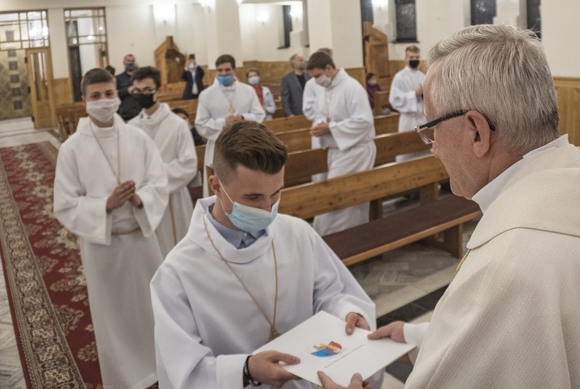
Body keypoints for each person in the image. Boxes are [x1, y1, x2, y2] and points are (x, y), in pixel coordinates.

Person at [319, 24, 580, 388]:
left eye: (431, 130)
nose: (433, 148)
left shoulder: (508, 267)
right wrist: (420, 337)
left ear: (477, 131)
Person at [150, 120, 378, 388]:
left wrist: (347, 313)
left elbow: (330, 293)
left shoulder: (297, 233)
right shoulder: (177, 273)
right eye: (253, 198)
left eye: (276, 193)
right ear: (215, 185)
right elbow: (184, 369)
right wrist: (246, 369)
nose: (268, 208)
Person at [53, 68, 168, 389]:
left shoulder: (138, 137)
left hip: (142, 239)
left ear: (118, 95)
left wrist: (140, 198)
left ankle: (159, 367)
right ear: (84, 100)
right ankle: (123, 379)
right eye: (95, 96)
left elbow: (159, 182)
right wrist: (106, 204)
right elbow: (64, 204)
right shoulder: (71, 148)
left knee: (150, 308)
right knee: (112, 316)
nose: (103, 101)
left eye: (108, 94)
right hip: (102, 247)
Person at [129, 66, 198, 257]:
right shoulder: (131, 127)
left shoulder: (177, 124)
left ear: (159, 90)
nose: (142, 95)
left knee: (176, 253)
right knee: (150, 256)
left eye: (147, 90)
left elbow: (188, 165)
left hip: (172, 199)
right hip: (144, 200)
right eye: (137, 91)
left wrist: (153, 178)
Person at [307, 50, 376, 236]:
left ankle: (336, 241)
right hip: (337, 151)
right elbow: (322, 114)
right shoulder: (325, 89)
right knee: (342, 200)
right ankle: (344, 240)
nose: (316, 81)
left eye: (317, 76)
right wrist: (319, 126)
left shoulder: (352, 87)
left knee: (337, 199)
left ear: (328, 68)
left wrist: (331, 128)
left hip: (356, 151)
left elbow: (364, 121)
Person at [195, 54, 265, 197]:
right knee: (220, 188)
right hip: (219, 145)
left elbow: (259, 115)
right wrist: (223, 123)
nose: (223, 74)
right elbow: (200, 124)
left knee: (244, 184)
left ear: (234, 70)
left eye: (227, 70)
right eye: (220, 71)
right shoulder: (206, 95)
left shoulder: (248, 90)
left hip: (245, 144)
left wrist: (243, 118)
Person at [389, 45, 428, 162]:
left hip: (422, 118)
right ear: (406, 58)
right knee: (406, 152)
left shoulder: (423, 76)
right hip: (408, 120)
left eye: (417, 57)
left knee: (423, 151)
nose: (414, 59)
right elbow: (394, 100)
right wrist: (414, 94)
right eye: (411, 57)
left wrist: (424, 95)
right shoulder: (399, 77)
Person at [116, 53, 142, 121]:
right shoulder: (118, 78)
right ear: (124, 62)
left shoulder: (140, 77)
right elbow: (115, 95)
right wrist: (127, 90)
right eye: (128, 61)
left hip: (140, 114)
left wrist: (138, 69)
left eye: (132, 61)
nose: (130, 63)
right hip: (125, 116)